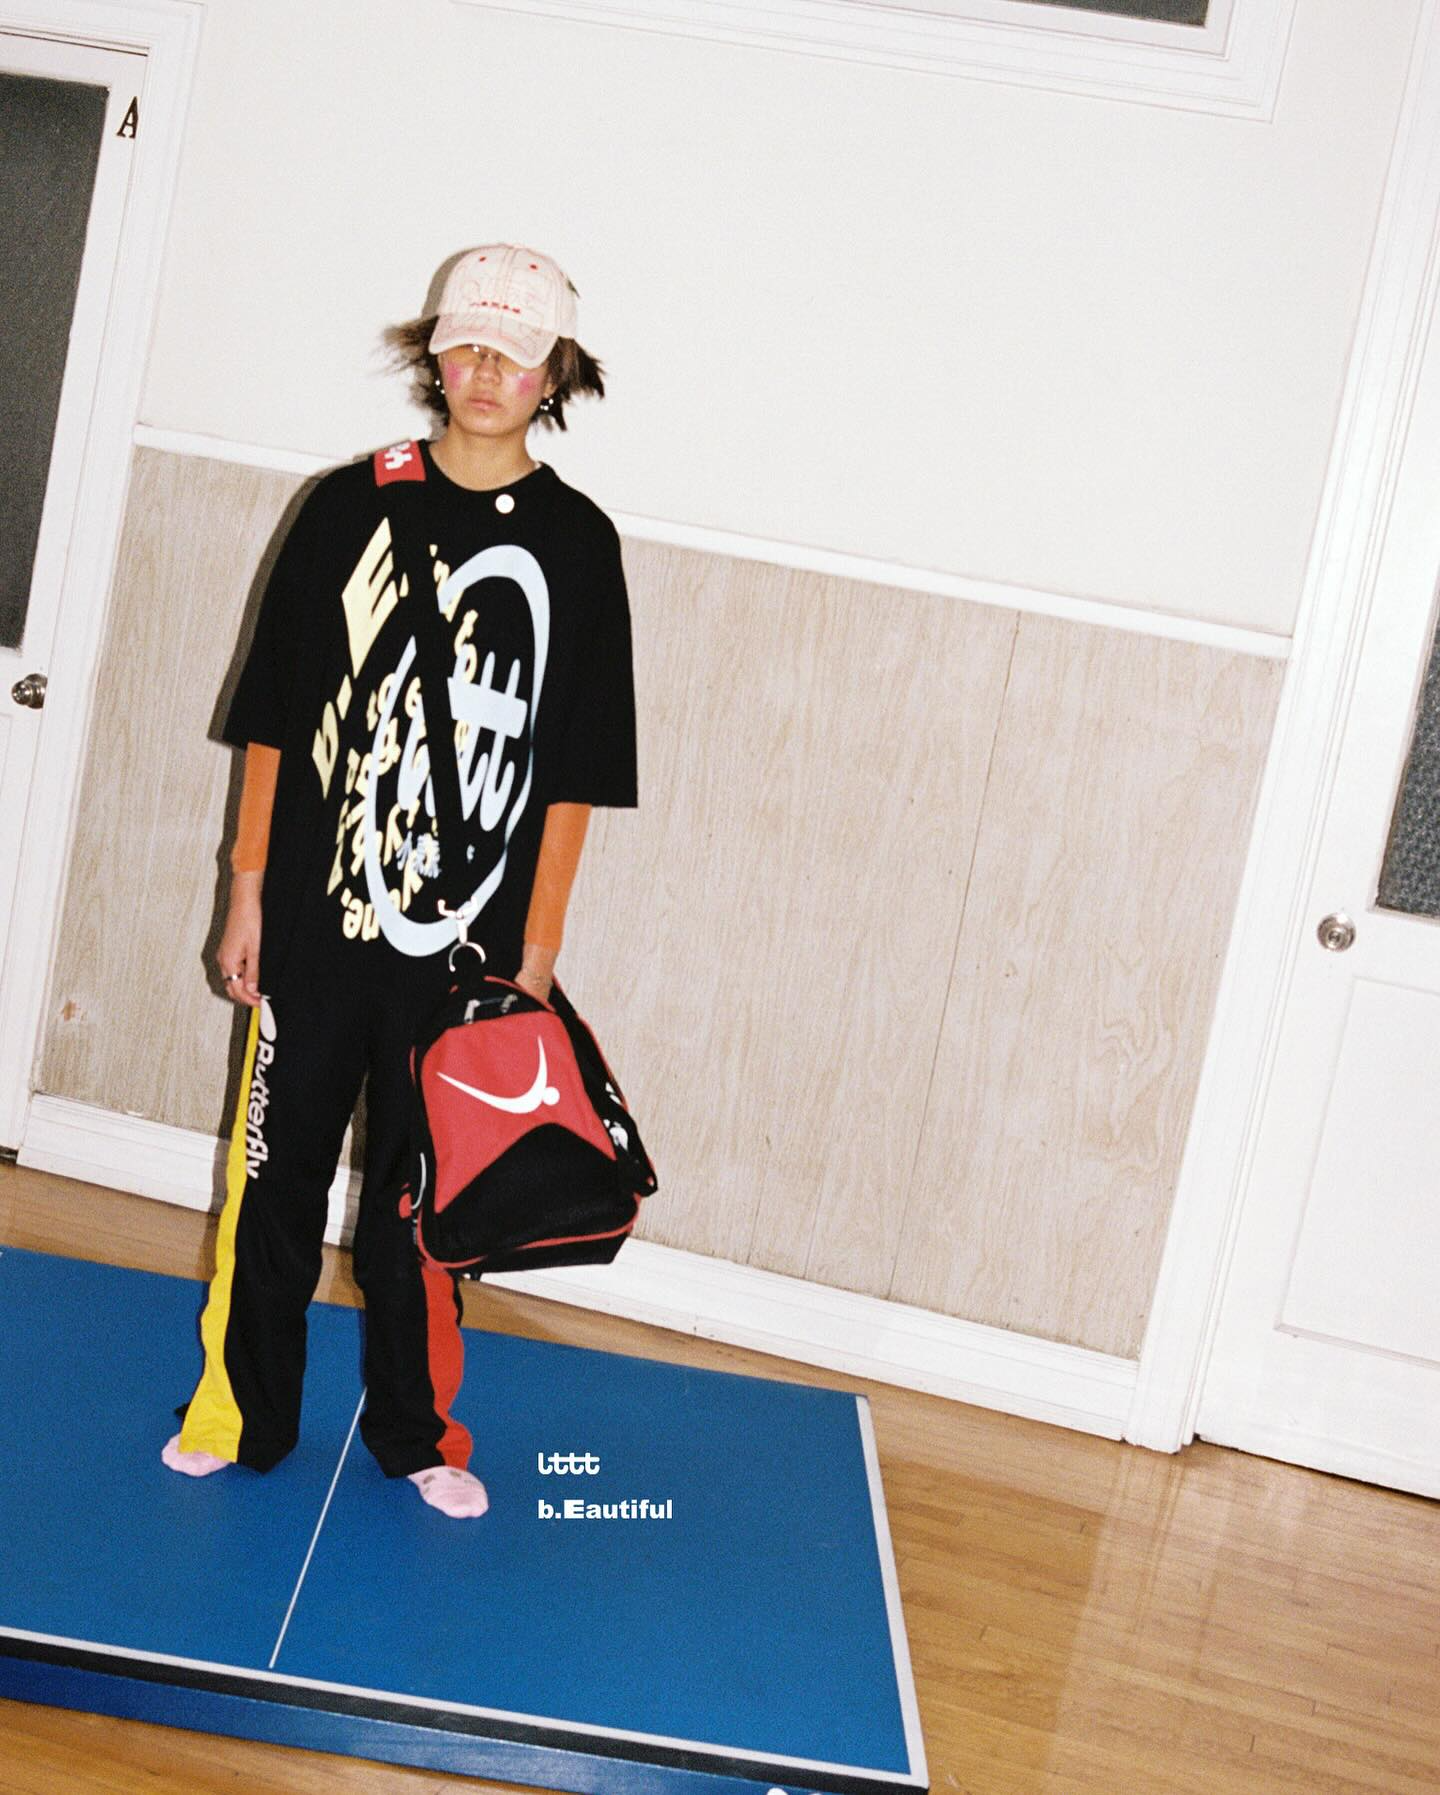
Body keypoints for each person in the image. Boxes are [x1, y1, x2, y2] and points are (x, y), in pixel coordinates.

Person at [162, 244, 638, 1519]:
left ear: (555, 374)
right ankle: (238, 1413)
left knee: (421, 1214)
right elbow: (273, 721)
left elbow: (575, 775)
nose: (485, 372)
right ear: (434, 353)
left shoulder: (579, 546)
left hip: (465, 956)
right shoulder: (344, 505)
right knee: (274, 1183)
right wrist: (246, 888)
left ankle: (418, 1434)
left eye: (514, 354)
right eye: (466, 344)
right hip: (315, 928)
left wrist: (537, 952)